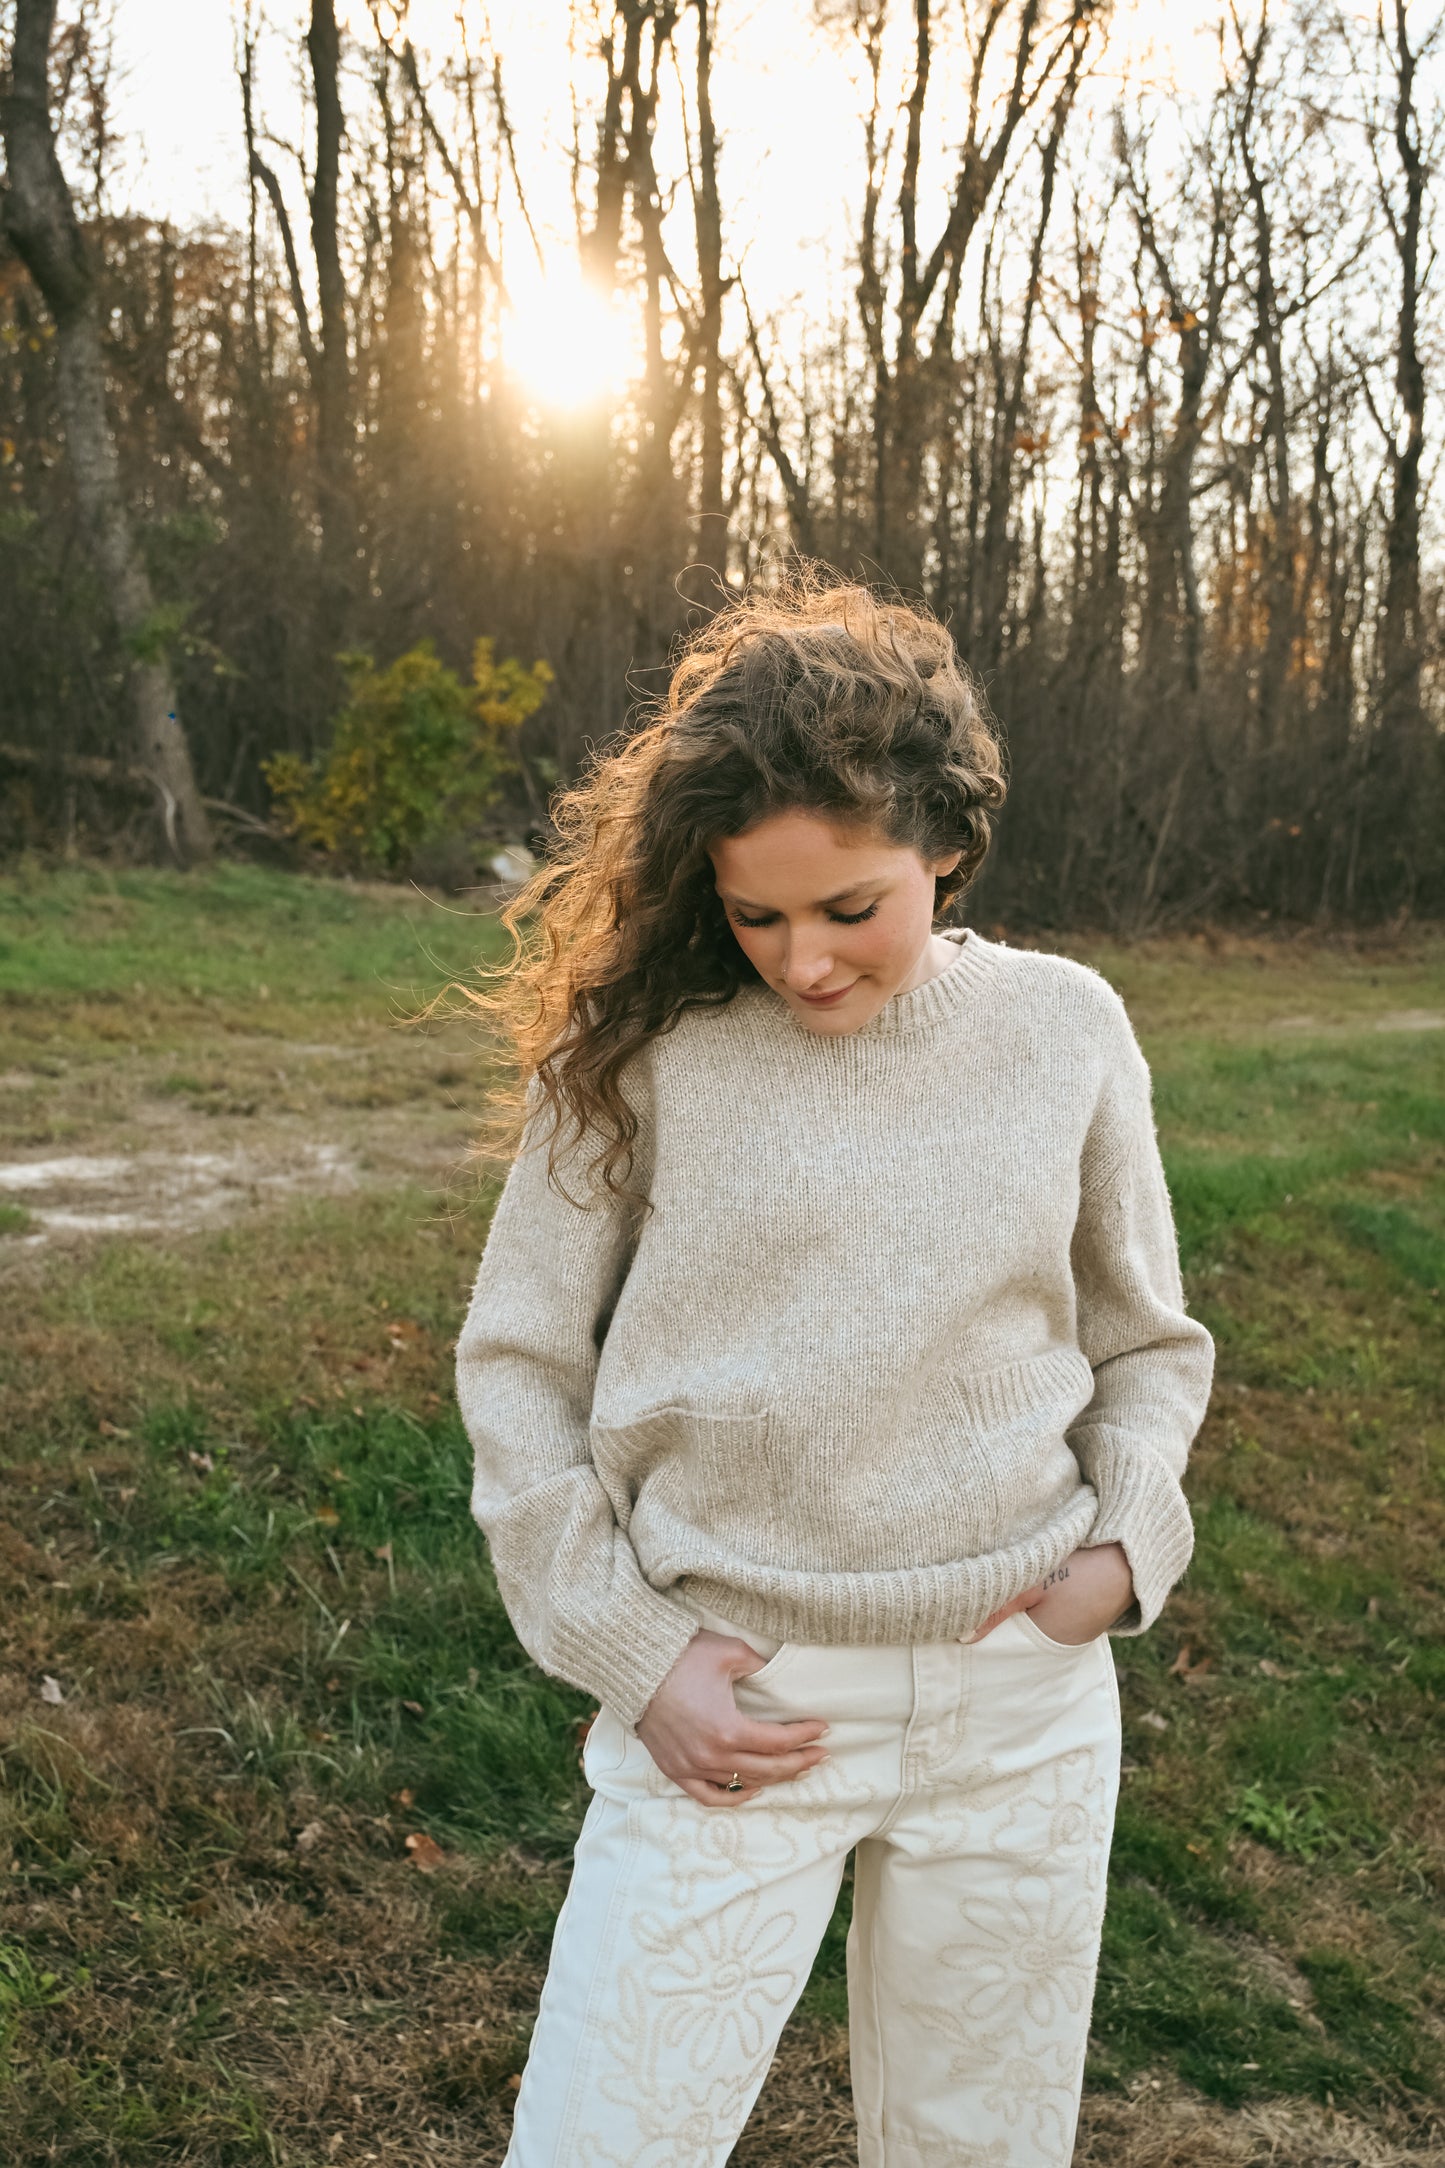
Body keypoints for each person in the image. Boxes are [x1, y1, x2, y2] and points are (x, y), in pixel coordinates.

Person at [454, 573, 1215, 2168]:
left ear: (942, 843)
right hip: (735, 1701)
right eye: (755, 914)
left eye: (848, 908)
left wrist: (1121, 1547)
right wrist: (625, 1646)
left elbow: (1147, 1337)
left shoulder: (1065, 1028)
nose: (800, 962)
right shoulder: (642, 1053)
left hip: (1021, 1700)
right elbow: (519, 1367)